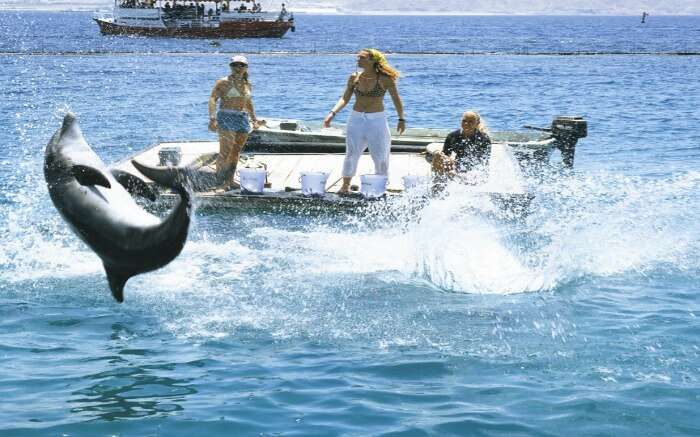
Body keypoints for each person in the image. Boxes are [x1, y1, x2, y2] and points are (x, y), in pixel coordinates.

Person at [323, 48, 406, 193]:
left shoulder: (385, 79)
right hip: (356, 119)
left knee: (380, 154)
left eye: (362, 58)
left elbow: (396, 99)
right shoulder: (354, 77)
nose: (358, 60)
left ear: (373, 60)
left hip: (377, 120)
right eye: (358, 58)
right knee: (351, 153)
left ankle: (380, 185)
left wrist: (401, 119)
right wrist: (332, 113)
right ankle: (345, 186)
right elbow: (345, 98)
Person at [208, 55, 263, 190]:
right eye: (235, 65)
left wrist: (254, 119)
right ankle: (220, 183)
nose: (238, 68)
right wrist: (212, 118)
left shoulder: (247, 84)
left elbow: (248, 103)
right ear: (230, 67)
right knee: (225, 152)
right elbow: (213, 99)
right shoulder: (223, 82)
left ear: (246, 68)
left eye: (241, 65)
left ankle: (230, 181)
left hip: (242, 119)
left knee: (235, 152)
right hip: (226, 116)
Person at [432, 110, 491, 177]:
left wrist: (467, 174)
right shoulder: (452, 136)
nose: (466, 124)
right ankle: (436, 181)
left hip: (475, 171)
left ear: (477, 123)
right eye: (464, 121)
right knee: (438, 156)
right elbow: (446, 155)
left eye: (470, 122)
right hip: (458, 166)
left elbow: (483, 162)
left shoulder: (483, 139)